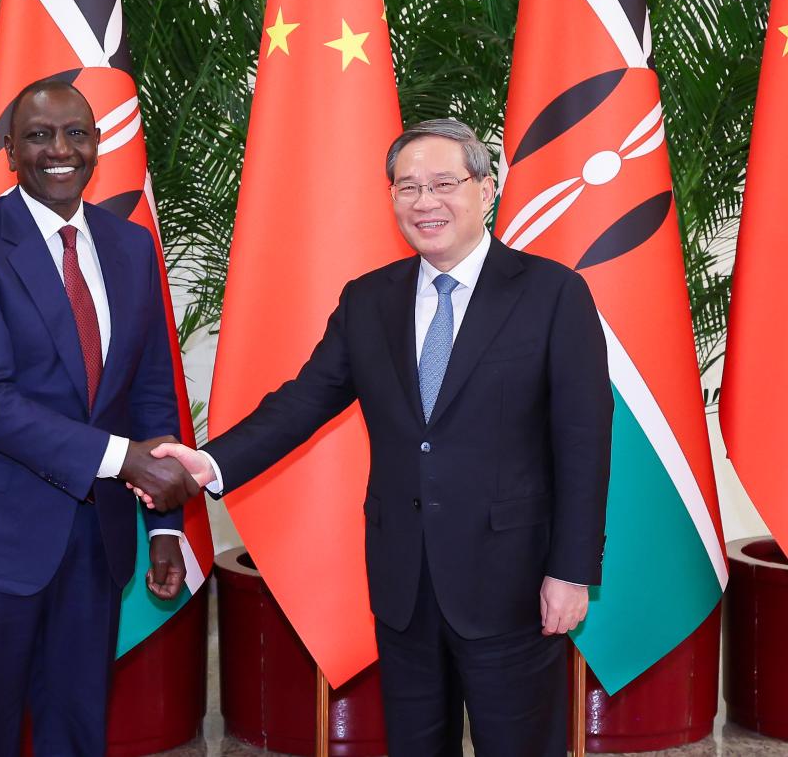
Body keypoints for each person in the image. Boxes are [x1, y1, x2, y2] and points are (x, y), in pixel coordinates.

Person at [149, 119, 613, 756]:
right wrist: (210, 462)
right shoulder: (370, 299)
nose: (425, 202)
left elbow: (584, 443)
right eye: (408, 187)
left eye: (444, 183)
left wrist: (570, 571)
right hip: (404, 583)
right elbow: (304, 401)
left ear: (485, 190)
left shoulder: (552, 293)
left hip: (514, 580)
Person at [0, 79, 199, 756]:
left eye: (76, 134)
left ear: (97, 146)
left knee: (77, 732)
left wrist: (163, 523)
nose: (60, 150)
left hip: (95, 540)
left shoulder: (130, 246)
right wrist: (124, 459)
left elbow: (151, 390)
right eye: (39, 136)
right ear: (11, 152)